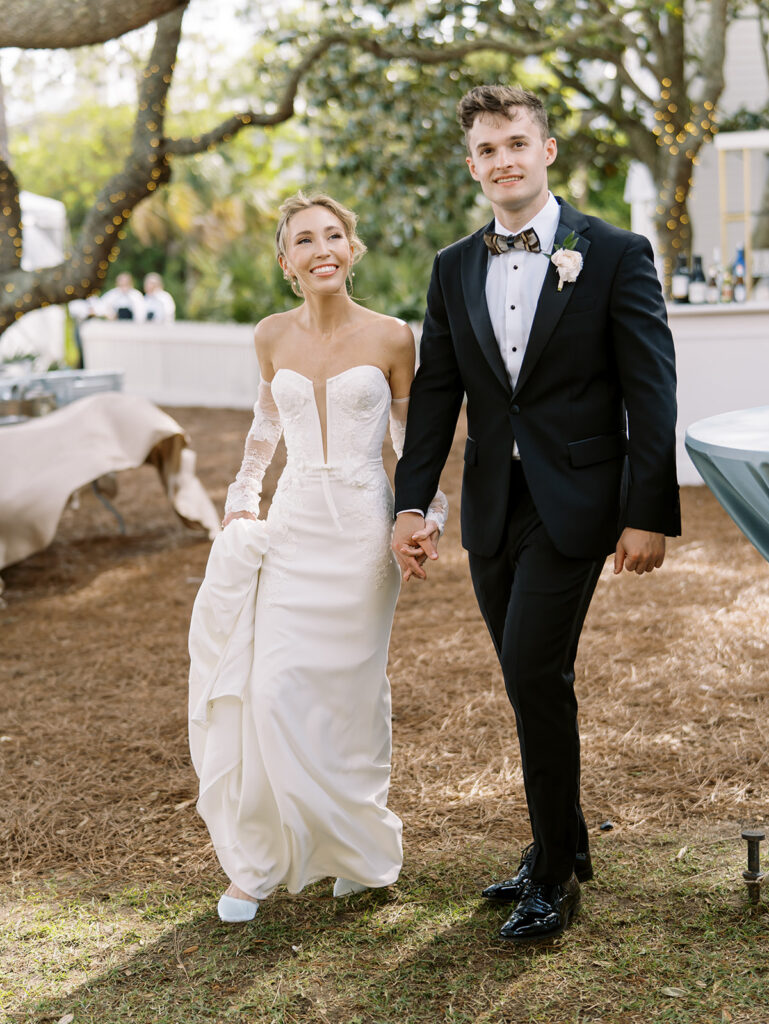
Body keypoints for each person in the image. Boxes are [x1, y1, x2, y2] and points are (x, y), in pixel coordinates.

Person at [392, 85, 680, 943]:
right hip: (491, 505)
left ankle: (552, 877)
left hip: (580, 503)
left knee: (528, 671)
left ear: (546, 151)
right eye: (485, 149)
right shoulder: (451, 267)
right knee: (534, 685)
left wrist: (647, 512)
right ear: (471, 163)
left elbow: (650, 392)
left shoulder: (616, 251)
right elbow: (437, 397)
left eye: (516, 142)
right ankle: (563, 838)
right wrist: (412, 502)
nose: (501, 160)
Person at [188, 192, 448, 923]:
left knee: (350, 697)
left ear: (352, 250)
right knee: (271, 688)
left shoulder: (394, 336)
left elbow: (412, 447)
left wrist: (423, 518)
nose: (321, 247)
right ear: (285, 262)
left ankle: (357, 855)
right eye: (304, 239)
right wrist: (242, 498)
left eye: (333, 235)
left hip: (363, 533)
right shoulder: (270, 336)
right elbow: (264, 430)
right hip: (295, 526)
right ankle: (261, 863)